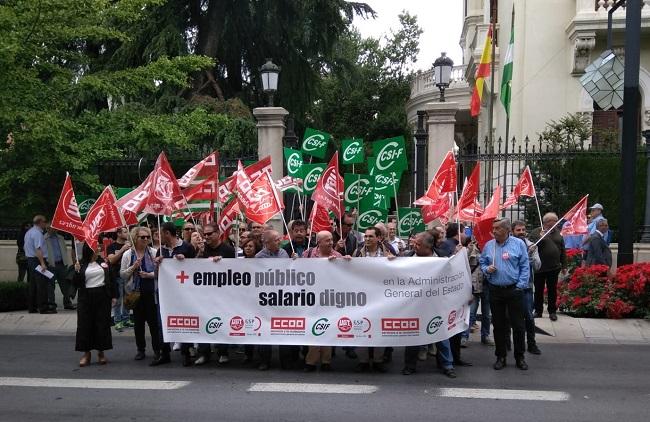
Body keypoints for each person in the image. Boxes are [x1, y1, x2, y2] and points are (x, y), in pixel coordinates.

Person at [402, 231, 456, 378]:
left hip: (437, 304)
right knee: (413, 335)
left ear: (429, 247)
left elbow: (454, 277)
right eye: (415, 243)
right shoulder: (407, 257)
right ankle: (409, 365)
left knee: (441, 334)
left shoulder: (443, 257)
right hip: (414, 305)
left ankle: (447, 365)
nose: (415, 246)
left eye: (418, 244)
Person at [479, 218, 530, 371]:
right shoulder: (489, 246)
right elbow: (482, 262)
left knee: (518, 326)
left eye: (498, 228)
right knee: (499, 326)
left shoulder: (518, 244)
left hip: (514, 290)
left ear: (507, 230)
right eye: (493, 228)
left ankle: (520, 357)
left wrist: (520, 286)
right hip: (495, 290)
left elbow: (525, 266)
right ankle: (500, 356)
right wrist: (487, 269)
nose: (494, 231)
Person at [303, 231, 349, 372]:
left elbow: (345, 274)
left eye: (331, 240)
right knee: (313, 329)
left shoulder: (337, 256)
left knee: (327, 328)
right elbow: (300, 270)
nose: (330, 242)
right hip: (312, 298)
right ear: (319, 242)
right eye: (327, 240)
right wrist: (295, 260)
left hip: (330, 298)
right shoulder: (308, 254)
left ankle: (326, 361)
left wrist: (346, 261)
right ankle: (311, 362)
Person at [154, 222, 196, 367]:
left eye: (161, 233)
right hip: (166, 293)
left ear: (167, 233)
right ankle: (164, 353)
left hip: (184, 293)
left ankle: (186, 353)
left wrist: (185, 261)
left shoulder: (187, 247)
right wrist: (158, 264)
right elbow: (157, 275)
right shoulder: (161, 250)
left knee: (184, 321)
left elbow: (197, 269)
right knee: (162, 322)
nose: (159, 236)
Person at [353, 227, 394, 373]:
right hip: (363, 296)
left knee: (379, 328)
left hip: (382, 297)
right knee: (361, 327)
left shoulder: (388, 251)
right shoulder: (358, 252)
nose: (368, 239)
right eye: (366, 237)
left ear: (378, 238)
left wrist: (393, 260)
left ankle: (378, 360)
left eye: (371, 237)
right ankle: (363, 360)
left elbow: (398, 269)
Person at [195, 223, 235, 366]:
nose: (206, 237)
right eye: (204, 234)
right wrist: (199, 254)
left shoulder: (228, 250)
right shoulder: (202, 249)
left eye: (209, 234)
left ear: (218, 233)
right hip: (204, 294)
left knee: (221, 322)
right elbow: (193, 268)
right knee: (203, 322)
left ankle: (223, 352)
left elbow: (234, 271)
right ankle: (203, 353)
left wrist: (221, 263)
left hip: (222, 294)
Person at [73, 243, 117, 367]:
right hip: (86, 296)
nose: (99, 248)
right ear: (89, 249)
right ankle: (86, 354)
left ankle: (101, 352)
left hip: (102, 296)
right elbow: (75, 283)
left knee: (102, 324)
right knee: (84, 325)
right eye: (96, 246)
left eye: (98, 246)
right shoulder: (80, 264)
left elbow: (111, 279)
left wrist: (113, 295)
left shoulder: (104, 262)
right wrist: (76, 271)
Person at [255, 230, 292, 370]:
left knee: (284, 329)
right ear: (266, 243)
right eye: (276, 240)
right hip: (266, 299)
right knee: (265, 330)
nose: (279, 242)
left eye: (279, 239)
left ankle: (286, 360)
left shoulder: (284, 253)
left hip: (283, 298)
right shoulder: (259, 257)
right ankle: (264, 360)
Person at [120, 226, 158, 363]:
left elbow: (160, 273)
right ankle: (140, 349)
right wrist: (133, 267)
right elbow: (122, 275)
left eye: (148, 237)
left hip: (151, 292)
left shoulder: (153, 252)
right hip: (135, 293)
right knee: (138, 324)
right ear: (135, 238)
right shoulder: (128, 255)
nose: (146, 239)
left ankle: (157, 350)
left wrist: (149, 275)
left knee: (154, 324)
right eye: (143, 237)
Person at [529, 212, 567, 321]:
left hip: (554, 267)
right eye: (552, 221)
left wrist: (564, 265)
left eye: (555, 220)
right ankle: (538, 310)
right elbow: (531, 247)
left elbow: (563, 250)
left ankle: (552, 311)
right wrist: (540, 238)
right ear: (545, 222)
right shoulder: (536, 232)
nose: (554, 223)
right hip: (540, 267)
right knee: (539, 290)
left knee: (552, 290)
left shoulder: (558, 233)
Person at [512, 220, 542, 355]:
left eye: (523, 230)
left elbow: (537, 266)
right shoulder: (509, 246)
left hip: (527, 288)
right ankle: (507, 343)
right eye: (518, 230)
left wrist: (531, 255)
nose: (521, 232)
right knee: (509, 316)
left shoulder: (532, 246)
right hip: (511, 287)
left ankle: (531, 344)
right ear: (512, 231)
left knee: (529, 317)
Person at [25, 215, 53, 314]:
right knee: (41, 284)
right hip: (37, 260)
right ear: (40, 222)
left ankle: (32, 307)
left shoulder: (29, 232)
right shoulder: (37, 234)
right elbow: (38, 249)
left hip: (31, 260)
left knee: (33, 285)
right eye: (45, 221)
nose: (46, 224)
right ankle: (43, 307)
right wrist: (42, 263)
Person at [44, 225, 76, 310]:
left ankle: (67, 303)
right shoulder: (44, 238)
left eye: (54, 227)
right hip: (51, 265)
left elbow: (64, 249)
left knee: (65, 285)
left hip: (61, 264)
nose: (53, 229)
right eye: (50, 227)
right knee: (50, 286)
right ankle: (52, 304)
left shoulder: (61, 238)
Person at [107, 227, 132, 330]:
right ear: (118, 233)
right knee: (117, 299)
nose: (127, 233)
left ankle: (126, 319)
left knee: (127, 299)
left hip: (128, 275)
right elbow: (111, 260)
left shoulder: (131, 245)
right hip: (116, 276)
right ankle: (117, 321)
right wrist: (122, 250)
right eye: (125, 232)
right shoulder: (111, 246)